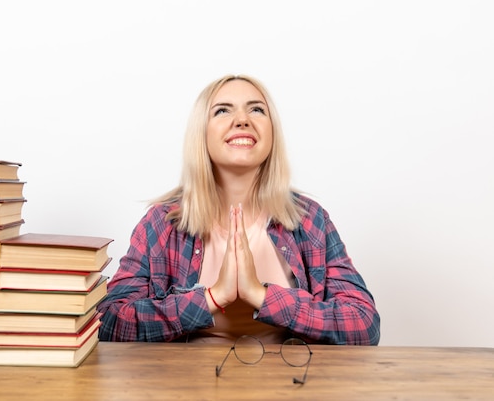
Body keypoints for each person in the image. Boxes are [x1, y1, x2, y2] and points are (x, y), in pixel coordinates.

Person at [97, 74, 380, 345]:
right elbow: (109, 322)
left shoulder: (309, 220)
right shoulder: (162, 223)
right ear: (202, 132)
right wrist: (214, 297)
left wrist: (261, 296)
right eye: (222, 111)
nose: (242, 120)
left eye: (256, 110)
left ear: (272, 131)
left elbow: (364, 324)